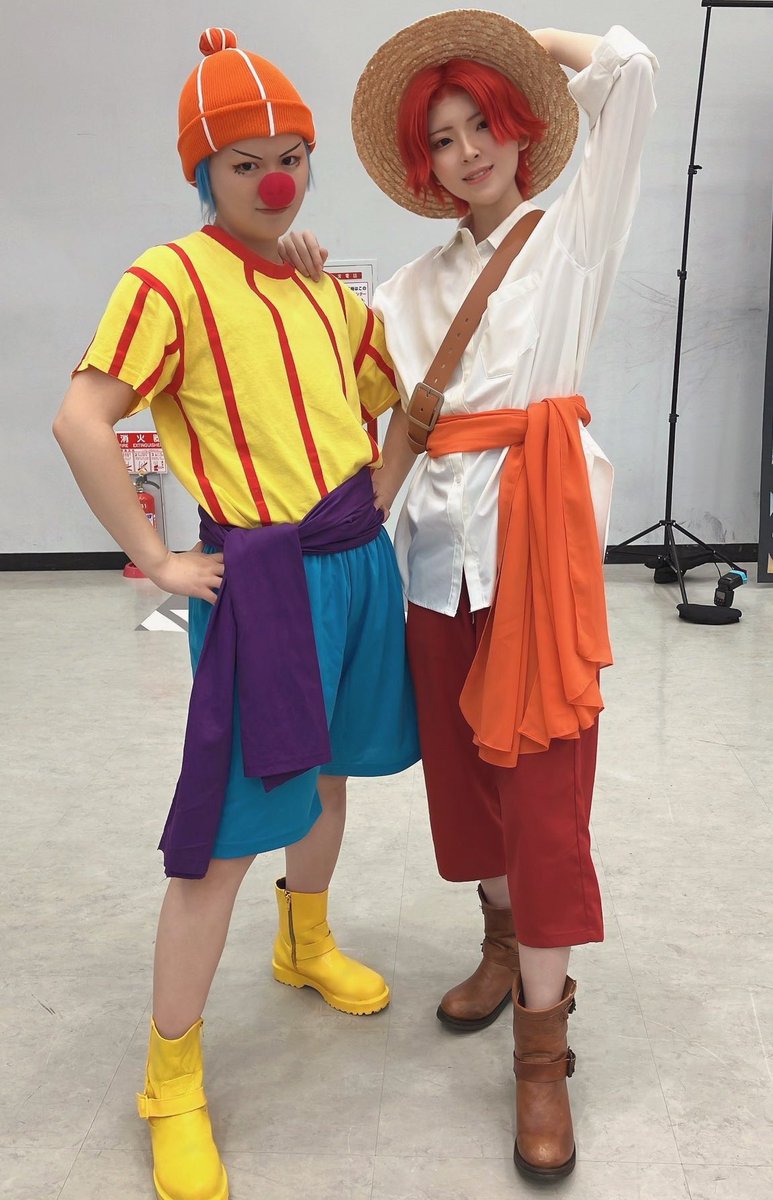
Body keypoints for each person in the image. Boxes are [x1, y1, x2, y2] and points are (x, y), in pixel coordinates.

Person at [280, 9, 657, 1180]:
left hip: (535, 560)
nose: (465, 153)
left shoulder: (568, 235)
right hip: (432, 568)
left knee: (542, 801)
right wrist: (302, 282)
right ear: (422, 165)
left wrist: (528, 45)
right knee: (469, 788)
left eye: (479, 124)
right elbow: (374, 414)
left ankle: (541, 1056)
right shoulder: (403, 291)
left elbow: (632, 74)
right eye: (440, 139)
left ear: (516, 127)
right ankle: (500, 946)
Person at [53, 27, 419, 1200]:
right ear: (203, 173)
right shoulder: (168, 279)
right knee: (220, 838)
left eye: (290, 159)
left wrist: (382, 488)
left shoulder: (322, 286)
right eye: (246, 163)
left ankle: (303, 941)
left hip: (354, 561)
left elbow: (392, 396)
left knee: (331, 775)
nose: (273, 183)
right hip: (262, 583)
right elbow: (81, 418)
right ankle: (169, 1080)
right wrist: (156, 559)